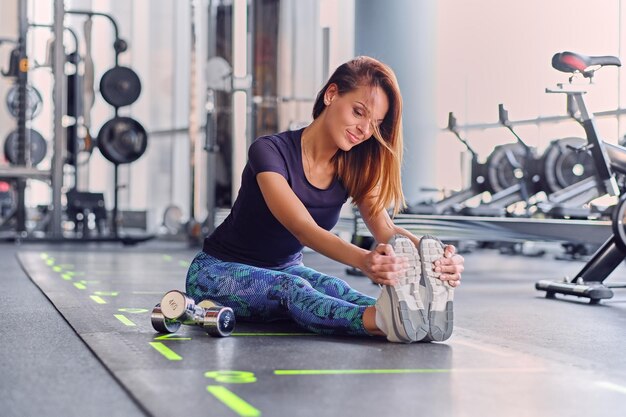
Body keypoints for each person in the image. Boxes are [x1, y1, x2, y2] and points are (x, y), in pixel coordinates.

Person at [186, 56, 464, 343]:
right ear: (332, 95)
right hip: (216, 272)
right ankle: (383, 321)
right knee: (292, 289)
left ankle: (411, 318)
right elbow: (302, 228)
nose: (365, 130)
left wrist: (437, 256)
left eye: (375, 124)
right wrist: (365, 260)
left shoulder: (352, 165)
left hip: (287, 268)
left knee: (337, 288)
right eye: (358, 112)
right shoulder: (269, 151)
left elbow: (386, 230)